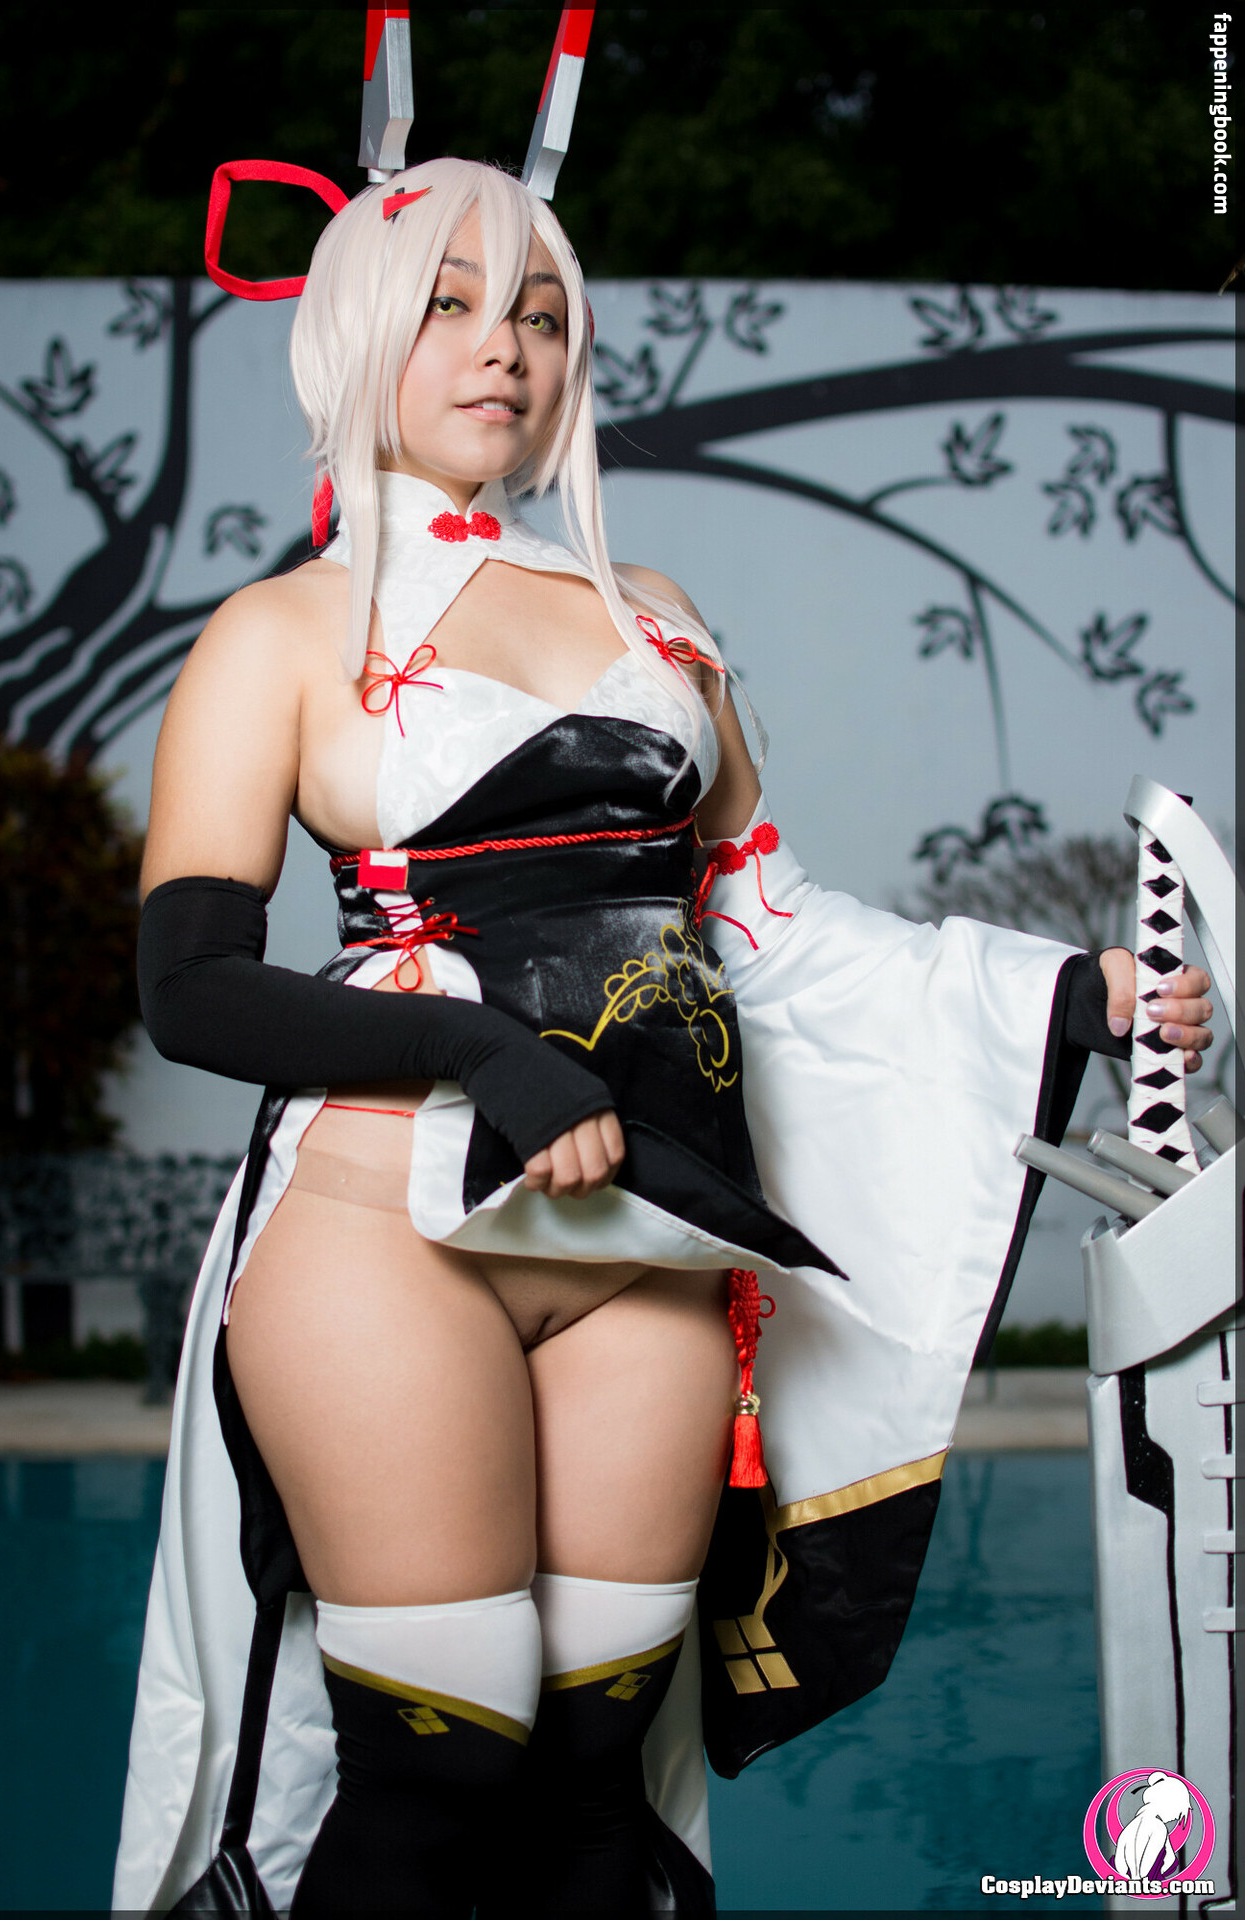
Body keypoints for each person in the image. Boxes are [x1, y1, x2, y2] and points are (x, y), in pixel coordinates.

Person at [114, 158, 1213, 1917]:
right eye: (452, 307)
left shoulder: (657, 618)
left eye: (542, 314)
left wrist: (1066, 993)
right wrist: (479, 1055)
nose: (506, 349)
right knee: (439, 1773)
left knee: (592, 1778)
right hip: (386, 1236)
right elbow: (189, 987)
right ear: (354, 337)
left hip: (650, 1244)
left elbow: (767, 927)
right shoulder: (281, 635)